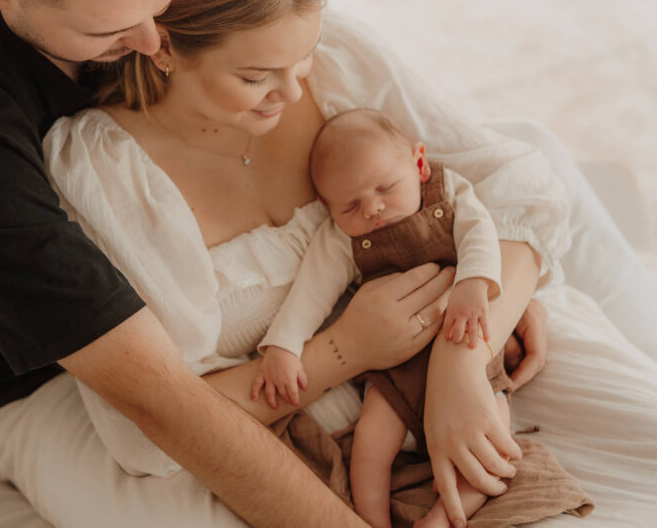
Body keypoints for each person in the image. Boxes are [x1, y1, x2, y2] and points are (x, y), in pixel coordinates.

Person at [0, 0, 552, 526]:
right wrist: (348, 350)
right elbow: (160, 408)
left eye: (163, 3)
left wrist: (464, 347)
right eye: (113, 30)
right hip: (33, 372)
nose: (153, 42)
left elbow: (508, 189)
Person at [251, 108, 592, 527]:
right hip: (396, 369)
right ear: (326, 205)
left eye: (385, 187)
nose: (373, 208)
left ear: (419, 164)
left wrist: (473, 284)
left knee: (494, 444)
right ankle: (372, 518)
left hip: (467, 344)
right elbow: (310, 292)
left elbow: (481, 234)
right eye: (351, 205)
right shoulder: (339, 239)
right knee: (370, 445)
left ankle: (441, 518)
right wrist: (283, 347)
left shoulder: (448, 193)